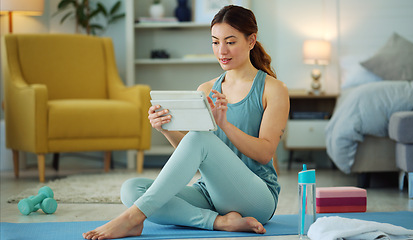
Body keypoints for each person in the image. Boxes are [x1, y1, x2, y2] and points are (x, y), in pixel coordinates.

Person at [83, 5, 289, 240]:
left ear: (251, 41)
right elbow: (196, 153)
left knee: (200, 137)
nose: (221, 50)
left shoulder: (273, 89)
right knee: (131, 189)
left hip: (256, 197)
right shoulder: (206, 89)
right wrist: (165, 129)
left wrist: (225, 125)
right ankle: (219, 222)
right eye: (215, 42)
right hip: (210, 193)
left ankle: (132, 218)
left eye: (230, 42)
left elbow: (265, 153)